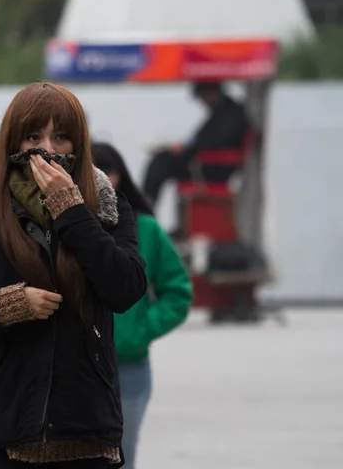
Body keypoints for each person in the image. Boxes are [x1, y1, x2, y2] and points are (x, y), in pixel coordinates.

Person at [0, 82, 147, 468]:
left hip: (86, 427)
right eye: (34, 137)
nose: (48, 150)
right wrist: (6, 306)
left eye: (61, 137)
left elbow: (125, 289)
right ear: (13, 142)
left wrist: (71, 209)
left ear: (79, 143)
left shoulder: (107, 208)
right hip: (1, 429)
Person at [92, 142, 193, 469]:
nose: (100, 178)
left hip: (129, 368)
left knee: (121, 457)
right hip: (74, 367)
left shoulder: (145, 229)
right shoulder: (61, 229)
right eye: (89, 170)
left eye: (107, 170)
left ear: (120, 176)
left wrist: (139, 331)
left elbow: (178, 292)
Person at [142, 81, 251, 206]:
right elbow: (203, 139)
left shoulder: (231, 114)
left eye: (202, 96)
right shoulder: (222, 111)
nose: (203, 102)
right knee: (161, 159)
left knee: (160, 162)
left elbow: (215, 143)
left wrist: (188, 149)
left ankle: (146, 206)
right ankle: (146, 204)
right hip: (204, 162)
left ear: (211, 92)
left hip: (211, 167)